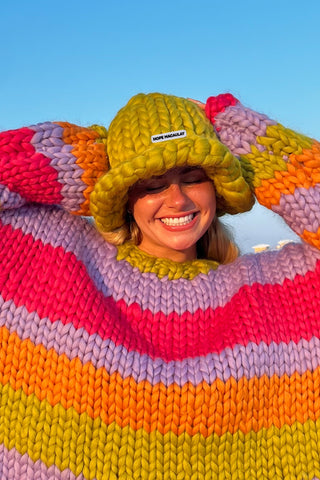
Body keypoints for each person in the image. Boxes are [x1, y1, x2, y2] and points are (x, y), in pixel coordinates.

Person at [0, 91, 319, 479]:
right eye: (151, 185)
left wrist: (255, 142)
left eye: (192, 177)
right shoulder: (49, 261)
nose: (177, 199)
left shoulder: (282, 293)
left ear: (216, 188)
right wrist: (78, 157)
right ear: (123, 195)